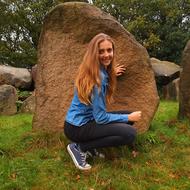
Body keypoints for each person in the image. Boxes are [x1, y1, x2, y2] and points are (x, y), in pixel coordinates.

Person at [64, 33, 142, 170]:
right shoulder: (97, 79)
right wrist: (128, 117)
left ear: (113, 51)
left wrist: (112, 72)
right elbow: (101, 118)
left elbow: (104, 75)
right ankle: (80, 147)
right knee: (130, 133)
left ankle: (91, 146)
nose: (106, 55)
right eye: (101, 51)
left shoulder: (98, 71)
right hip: (78, 128)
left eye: (109, 50)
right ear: (94, 54)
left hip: (85, 122)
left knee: (128, 119)